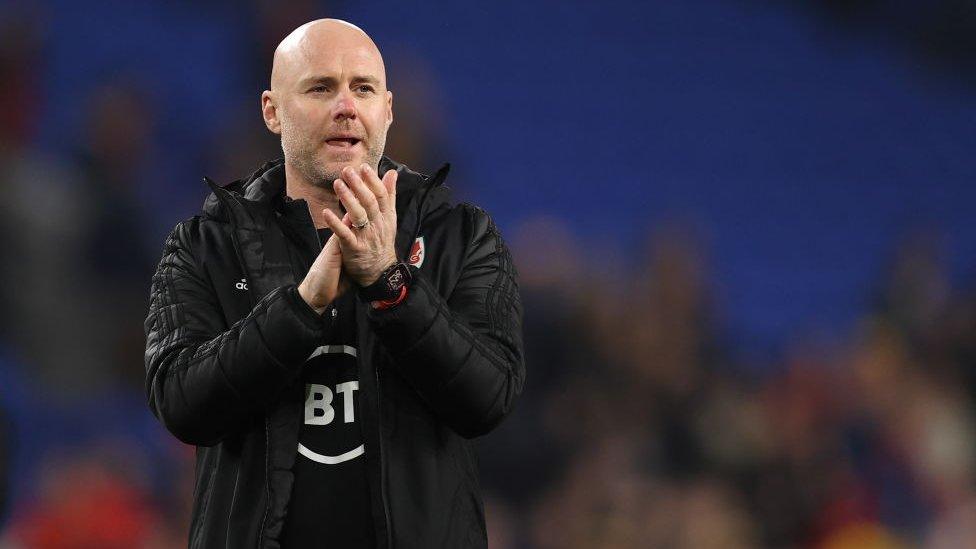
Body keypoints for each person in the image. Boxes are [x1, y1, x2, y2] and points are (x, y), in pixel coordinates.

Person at [144, 19, 524, 548]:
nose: (345, 106)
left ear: (387, 110)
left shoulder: (461, 235)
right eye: (321, 87)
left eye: (362, 88)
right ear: (271, 111)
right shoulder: (204, 246)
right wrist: (301, 307)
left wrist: (390, 286)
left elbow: (490, 397)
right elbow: (180, 403)